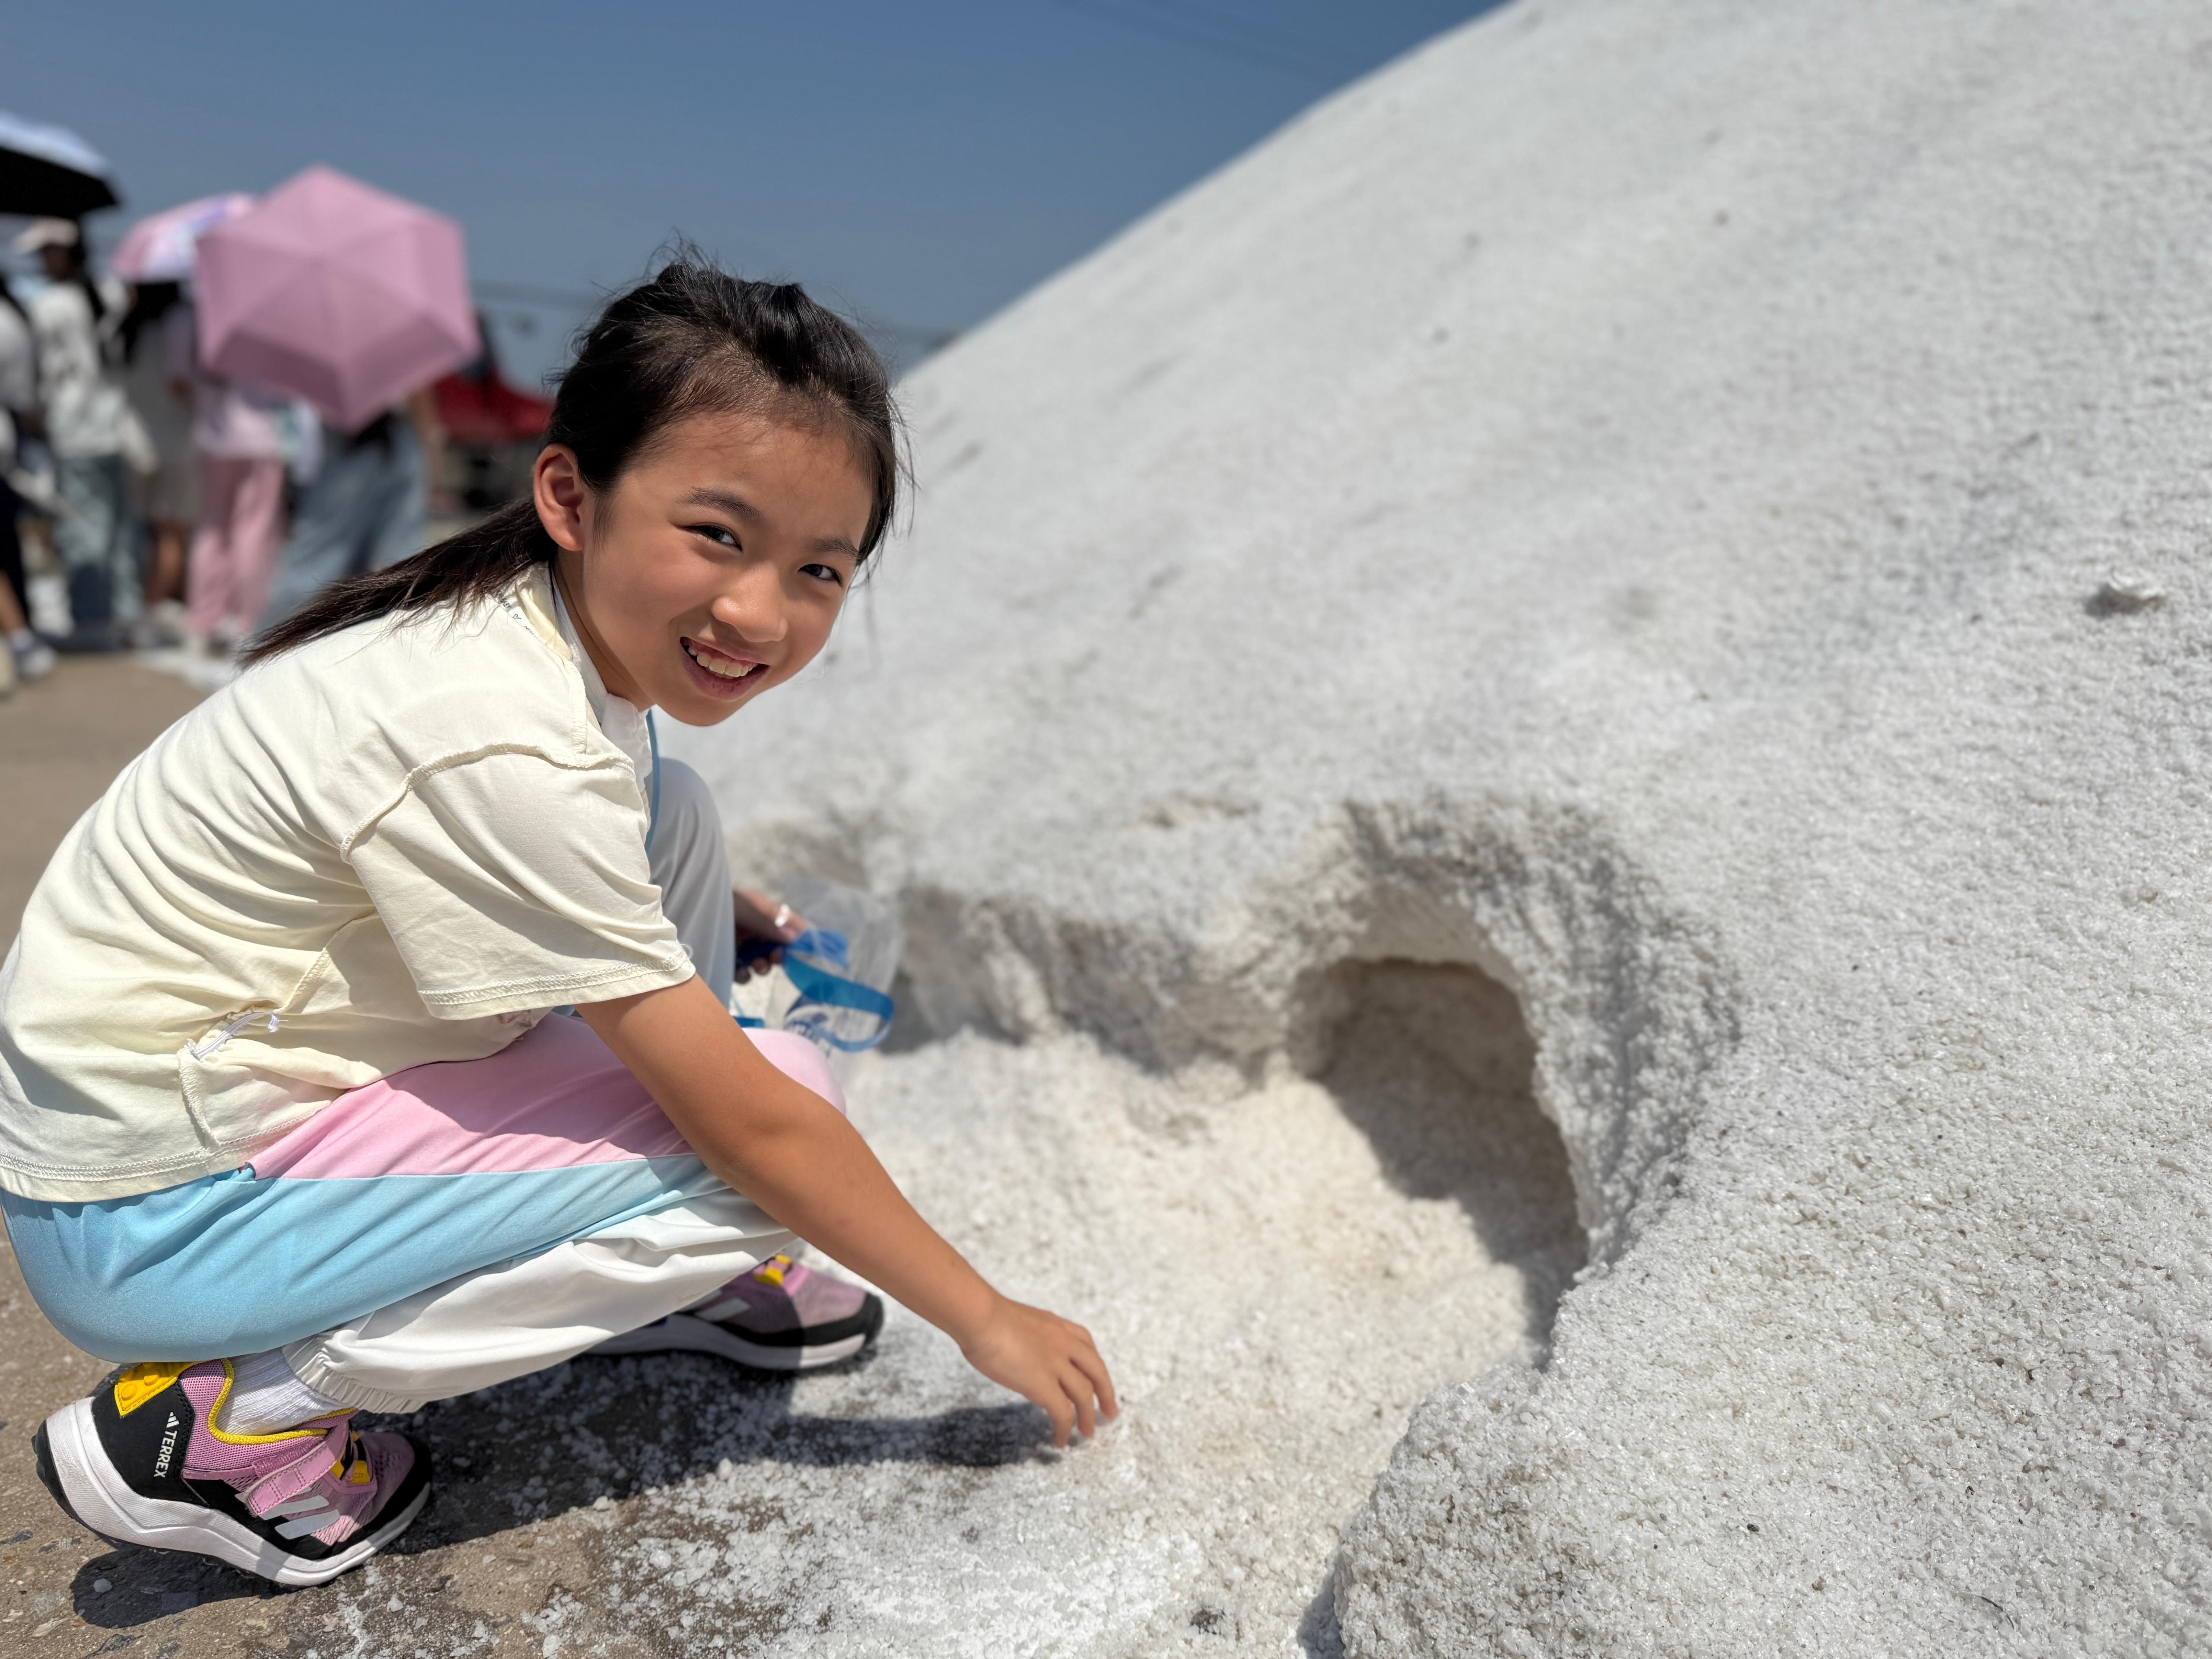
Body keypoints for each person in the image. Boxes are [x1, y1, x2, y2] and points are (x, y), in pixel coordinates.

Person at [0, 258, 1115, 1586]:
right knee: (758, 1125)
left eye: (817, 565)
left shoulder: (520, 634)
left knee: (679, 818)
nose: (758, 610)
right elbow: (762, 1127)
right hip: (150, 1215)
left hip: (185, 1110)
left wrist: (719, 920)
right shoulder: (494, 739)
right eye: (718, 533)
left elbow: (600, 837)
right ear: (569, 495)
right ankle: (234, 1425)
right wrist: (984, 1318)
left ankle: (671, 1268)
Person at [16, 219, 143, 651]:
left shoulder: (48, 303)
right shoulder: (107, 293)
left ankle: (92, 621)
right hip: (115, 426)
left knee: (84, 529)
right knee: (119, 531)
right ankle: (124, 616)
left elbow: (37, 373)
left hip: (74, 433)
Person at [253, 384, 447, 632]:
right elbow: (421, 400)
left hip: (354, 438)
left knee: (320, 558)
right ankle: (272, 637)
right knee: (381, 557)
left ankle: (272, 638)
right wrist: (433, 458)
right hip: (379, 439)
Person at [164, 299, 290, 653]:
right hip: (262, 439)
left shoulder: (187, 317)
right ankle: (248, 623)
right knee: (255, 533)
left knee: (211, 530)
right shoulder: (266, 315)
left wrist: (208, 401)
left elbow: (177, 382)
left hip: (212, 437)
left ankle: (201, 622)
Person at [114, 280, 194, 645]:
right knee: (173, 536)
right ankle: (151, 611)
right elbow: (180, 382)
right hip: (176, 442)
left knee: (152, 534)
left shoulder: (129, 324)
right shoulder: (181, 319)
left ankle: (158, 606)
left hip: (136, 443)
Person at [0, 276, 56, 681]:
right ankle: (21, 637)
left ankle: (20, 639)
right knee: (8, 543)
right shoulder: (12, 320)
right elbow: (23, 397)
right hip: (6, 440)